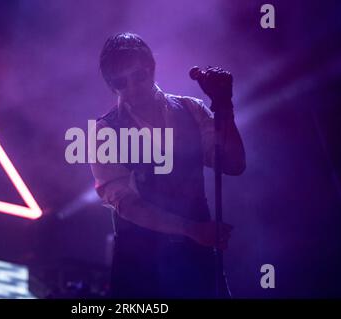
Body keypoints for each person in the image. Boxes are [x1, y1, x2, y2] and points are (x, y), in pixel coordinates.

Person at [90, 32, 246, 298]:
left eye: (138, 76)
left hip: (196, 260)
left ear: (151, 67)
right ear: (111, 86)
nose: (132, 87)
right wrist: (190, 229)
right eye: (121, 82)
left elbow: (233, 164)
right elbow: (127, 205)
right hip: (139, 267)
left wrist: (224, 106)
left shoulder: (191, 109)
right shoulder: (104, 131)